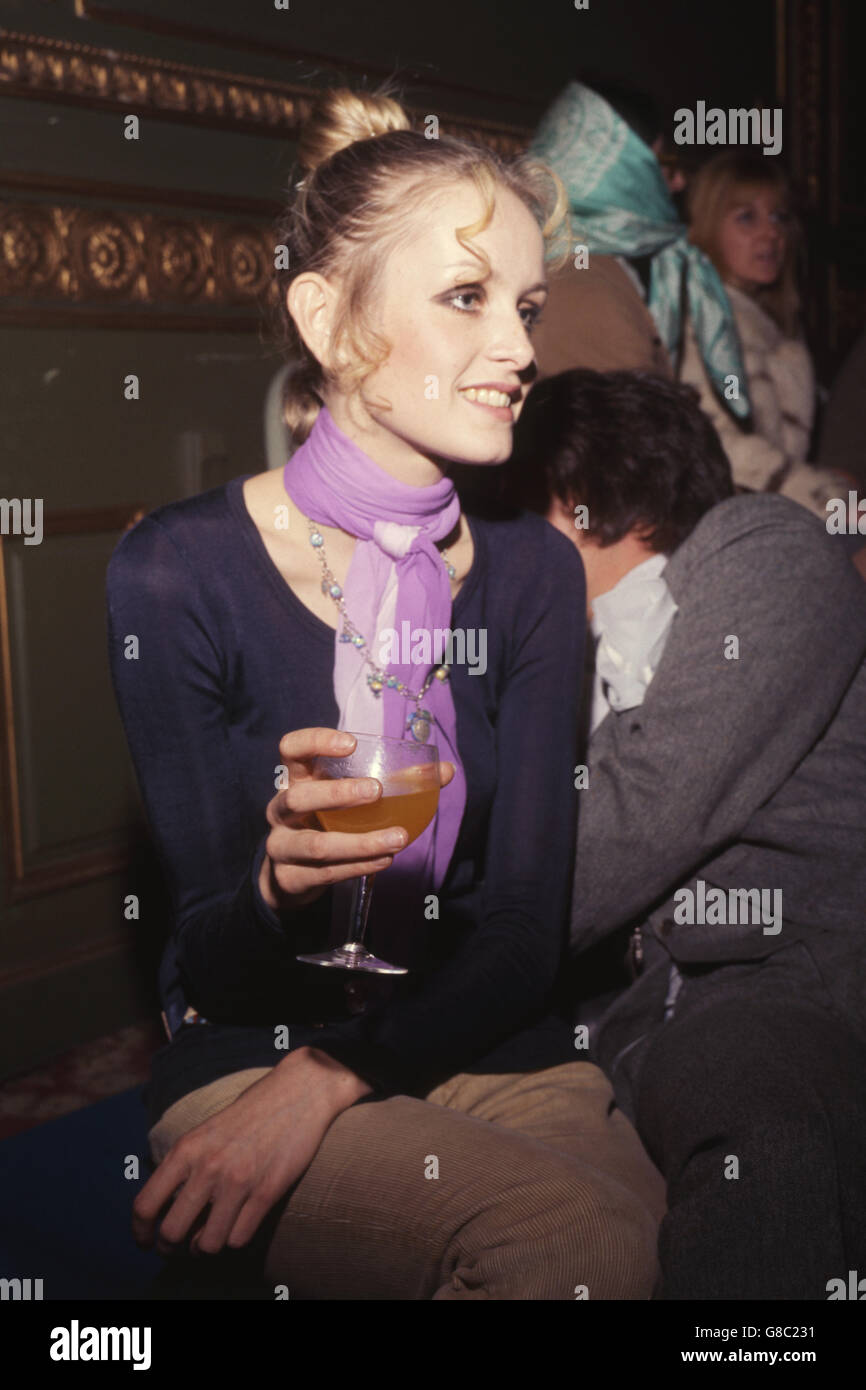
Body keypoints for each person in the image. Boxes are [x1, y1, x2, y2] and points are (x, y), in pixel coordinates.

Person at [105, 88, 665, 1301]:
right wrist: (271, 891)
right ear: (328, 316)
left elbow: (519, 931)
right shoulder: (174, 570)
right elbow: (209, 959)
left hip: (481, 1037)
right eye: (466, 300)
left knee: (654, 1239)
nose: (519, 349)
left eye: (522, 307)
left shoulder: (528, 572)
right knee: (571, 1243)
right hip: (250, 1043)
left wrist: (331, 1081)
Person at [514, 366, 866, 1300]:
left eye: (513, 511)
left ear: (578, 497)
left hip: (778, 980)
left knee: (764, 1113)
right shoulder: (553, 642)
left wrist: (465, 929)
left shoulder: (762, 544)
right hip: (617, 1019)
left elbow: (653, 798)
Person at [526, 81, 746, 408]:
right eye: (660, 163)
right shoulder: (582, 279)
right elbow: (632, 437)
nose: (679, 181)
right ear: (618, 172)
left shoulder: (565, 259)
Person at [683, 151, 856, 520]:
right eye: (747, 217)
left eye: (779, 217)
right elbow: (725, 449)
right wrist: (831, 500)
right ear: (709, 226)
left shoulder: (771, 325)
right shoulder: (703, 322)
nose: (772, 233)